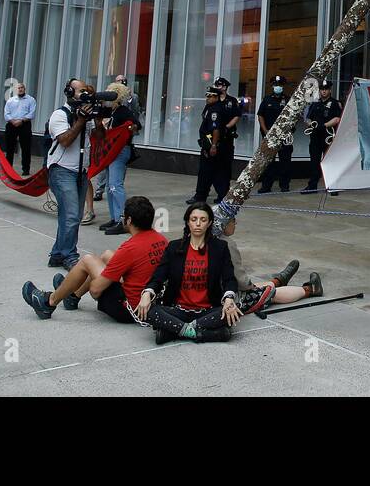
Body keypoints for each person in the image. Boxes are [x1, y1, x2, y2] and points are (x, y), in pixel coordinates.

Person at [136, 203, 273, 343]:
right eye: (194, 219)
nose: (198, 224)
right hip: (178, 311)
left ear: (209, 223)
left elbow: (229, 279)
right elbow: (158, 276)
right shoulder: (174, 247)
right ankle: (204, 333)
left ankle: (175, 332)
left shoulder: (219, 248)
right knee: (150, 311)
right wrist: (147, 293)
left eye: (203, 220)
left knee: (231, 312)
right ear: (188, 222)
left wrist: (229, 299)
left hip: (208, 310)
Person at [21, 195, 168, 322]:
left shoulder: (130, 248)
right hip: (150, 299)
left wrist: (94, 277)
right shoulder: (161, 240)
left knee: (88, 260)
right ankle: (72, 294)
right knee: (107, 255)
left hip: (127, 308)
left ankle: (49, 302)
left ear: (129, 221)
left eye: (123, 216)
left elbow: (95, 291)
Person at [46, 79, 104, 269]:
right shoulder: (59, 115)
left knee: (71, 216)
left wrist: (97, 118)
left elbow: (100, 137)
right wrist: (80, 120)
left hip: (80, 172)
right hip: (61, 170)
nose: (85, 95)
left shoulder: (86, 116)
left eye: (87, 92)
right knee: (71, 216)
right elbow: (65, 140)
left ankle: (57, 254)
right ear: (69, 92)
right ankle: (69, 255)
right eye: (81, 91)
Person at [220, 217, 323, 302]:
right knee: (270, 294)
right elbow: (240, 280)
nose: (235, 223)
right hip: (225, 299)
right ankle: (310, 289)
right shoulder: (226, 243)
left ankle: (278, 281)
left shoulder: (212, 239)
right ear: (223, 224)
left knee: (252, 286)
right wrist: (249, 288)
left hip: (217, 292)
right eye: (233, 220)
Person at [189, 77, 239, 205]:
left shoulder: (222, 106)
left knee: (217, 171)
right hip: (210, 142)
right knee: (208, 171)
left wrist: (214, 145)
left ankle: (218, 195)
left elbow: (216, 128)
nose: (207, 98)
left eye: (210, 96)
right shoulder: (210, 106)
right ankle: (203, 195)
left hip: (219, 142)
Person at [100, 82, 142, 234]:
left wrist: (130, 128)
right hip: (113, 150)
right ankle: (115, 217)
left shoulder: (123, 111)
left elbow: (136, 124)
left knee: (115, 185)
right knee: (110, 187)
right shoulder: (113, 111)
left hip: (120, 150)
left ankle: (123, 220)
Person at [302, 79, 342, 193]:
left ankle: (332, 186)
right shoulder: (315, 103)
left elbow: (337, 118)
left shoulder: (335, 103)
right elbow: (308, 118)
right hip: (315, 136)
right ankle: (312, 186)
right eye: (322, 89)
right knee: (314, 162)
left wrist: (324, 125)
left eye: (326, 89)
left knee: (330, 162)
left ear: (330, 90)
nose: (323, 92)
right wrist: (311, 124)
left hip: (327, 136)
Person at [256, 74, 294, 193]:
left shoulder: (288, 100)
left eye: (279, 85)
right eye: (275, 85)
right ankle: (266, 186)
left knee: (285, 162)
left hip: (284, 136)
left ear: (283, 86)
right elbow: (260, 115)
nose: (277, 87)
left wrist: (288, 130)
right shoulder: (267, 99)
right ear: (272, 86)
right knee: (268, 162)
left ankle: (284, 185)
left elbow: (293, 117)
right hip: (269, 136)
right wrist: (265, 131)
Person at [3, 81, 37, 176]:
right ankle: (8, 169)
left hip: (25, 124)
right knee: (9, 148)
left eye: (21, 87)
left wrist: (21, 121)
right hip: (11, 124)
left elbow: (32, 113)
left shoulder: (31, 100)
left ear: (24, 89)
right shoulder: (10, 100)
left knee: (26, 148)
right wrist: (13, 121)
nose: (20, 89)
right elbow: (6, 113)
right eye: (18, 88)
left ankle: (26, 169)